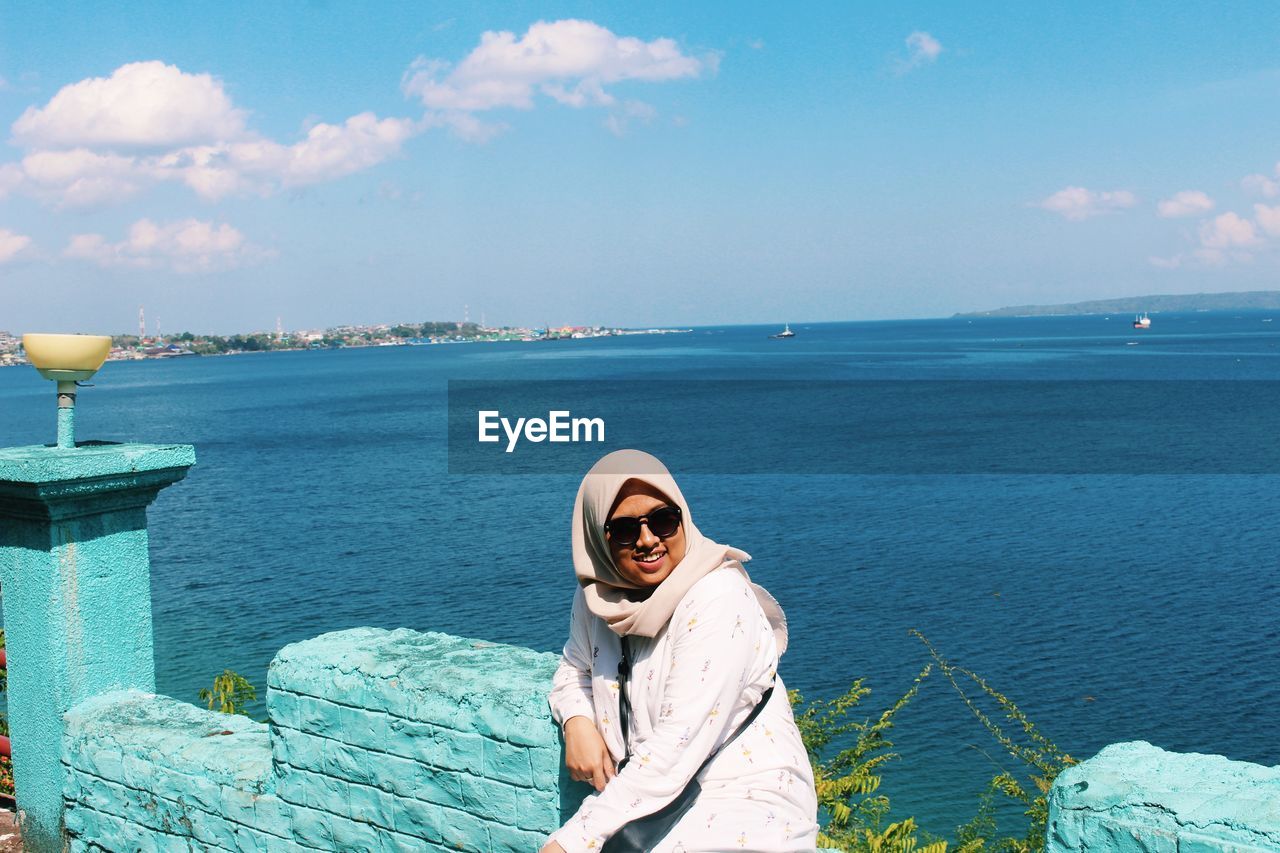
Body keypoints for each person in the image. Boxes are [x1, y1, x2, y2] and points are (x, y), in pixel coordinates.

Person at [542, 449, 819, 852]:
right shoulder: (596, 601)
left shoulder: (717, 597)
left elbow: (674, 747)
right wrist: (577, 720)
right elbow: (574, 667)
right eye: (624, 530)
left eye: (663, 520)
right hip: (650, 800)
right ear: (598, 537)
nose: (648, 539)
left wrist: (570, 842)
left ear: (682, 517)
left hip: (741, 798)